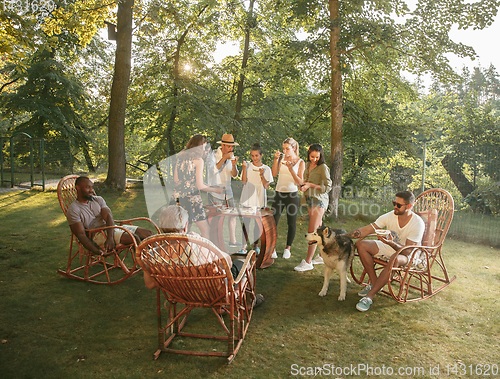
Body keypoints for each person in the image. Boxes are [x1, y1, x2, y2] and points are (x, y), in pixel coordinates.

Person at [142, 205, 265, 307]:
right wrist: (198, 239)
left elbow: (150, 284)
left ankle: (222, 307)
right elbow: (227, 262)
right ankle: (247, 301)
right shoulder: (197, 245)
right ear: (185, 226)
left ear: (161, 227)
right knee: (244, 262)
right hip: (211, 292)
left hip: (179, 293)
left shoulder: (153, 254)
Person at [344, 191, 425, 312]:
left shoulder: (417, 223)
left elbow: (407, 252)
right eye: (394, 203)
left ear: (409, 206)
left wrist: (391, 243)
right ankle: (374, 283)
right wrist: (343, 236)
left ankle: (369, 296)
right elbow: (366, 230)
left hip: (410, 254)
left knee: (395, 259)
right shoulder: (390, 216)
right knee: (361, 245)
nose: (395, 207)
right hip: (390, 246)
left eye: (398, 205)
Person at [66, 176, 153, 255]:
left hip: (111, 228)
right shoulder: (73, 209)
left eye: (91, 187)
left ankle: (159, 260)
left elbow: (108, 217)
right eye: (87, 187)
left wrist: (110, 237)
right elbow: (81, 235)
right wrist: (97, 251)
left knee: (148, 234)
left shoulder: (98, 200)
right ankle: (149, 267)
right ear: (77, 188)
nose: (91, 190)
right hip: (98, 235)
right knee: (135, 238)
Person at [172, 134, 224, 239]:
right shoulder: (198, 160)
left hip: (177, 197)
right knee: (205, 230)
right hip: (192, 199)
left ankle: (182, 253)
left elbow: (176, 180)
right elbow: (199, 186)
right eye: (204, 147)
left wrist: (208, 186)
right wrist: (216, 190)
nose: (204, 150)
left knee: (182, 230)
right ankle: (203, 254)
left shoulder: (180, 157)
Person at [294, 143, 332, 271]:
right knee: (320, 229)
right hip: (309, 199)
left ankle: (308, 262)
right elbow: (306, 180)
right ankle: (322, 255)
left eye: (316, 157)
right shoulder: (308, 165)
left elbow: (327, 187)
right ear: (308, 154)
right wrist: (304, 185)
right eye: (312, 156)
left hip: (319, 201)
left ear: (320, 156)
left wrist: (310, 185)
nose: (314, 159)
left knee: (312, 232)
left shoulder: (323, 168)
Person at [269, 137, 305, 259]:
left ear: (294, 148)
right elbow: (273, 174)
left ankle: (287, 248)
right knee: (273, 221)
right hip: (279, 193)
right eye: (283, 148)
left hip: (292, 195)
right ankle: (272, 247)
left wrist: (291, 169)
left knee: (291, 222)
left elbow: (300, 182)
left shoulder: (300, 162)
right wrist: (275, 159)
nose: (285, 151)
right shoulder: (281, 158)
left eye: (287, 149)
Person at [209, 134, 241, 248]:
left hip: (228, 191)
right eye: (229, 146)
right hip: (216, 192)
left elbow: (235, 175)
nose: (231, 149)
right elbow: (213, 170)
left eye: (232, 147)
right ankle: (214, 243)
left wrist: (234, 165)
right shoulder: (213, 155)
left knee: (233, 215)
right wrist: (224, 158)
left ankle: (232, 241)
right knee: (217, 218)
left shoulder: (231, 157)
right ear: (222, 145)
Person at [240, 143, 273, 252]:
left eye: (256, 155)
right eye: (252, 155)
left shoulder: (266, 169)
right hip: (248, 197)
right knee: (246, 223)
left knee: (257, 224)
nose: (254, 158)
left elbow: (266, 186)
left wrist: (262, 175)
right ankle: (243, 247)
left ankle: (255, 246)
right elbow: (244, 181)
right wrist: (244, 169)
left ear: (261, 155)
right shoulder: (247, 166)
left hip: (259, 199)